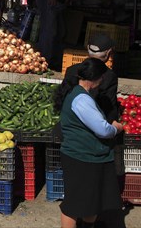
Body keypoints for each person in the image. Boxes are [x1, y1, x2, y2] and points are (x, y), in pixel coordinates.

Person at [54, 58, 124, 228]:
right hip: (81, 158)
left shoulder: (80, 94)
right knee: (74, 204)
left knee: (91, 200)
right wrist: (116, 128)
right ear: (97, 79)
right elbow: (103, 129)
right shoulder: (81, 100)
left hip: (88, 157)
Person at [35, 0, 92, 70]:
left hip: (57, 3)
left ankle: (55, 60)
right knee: (49, 30)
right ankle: (43, 61)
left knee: (60, 31)